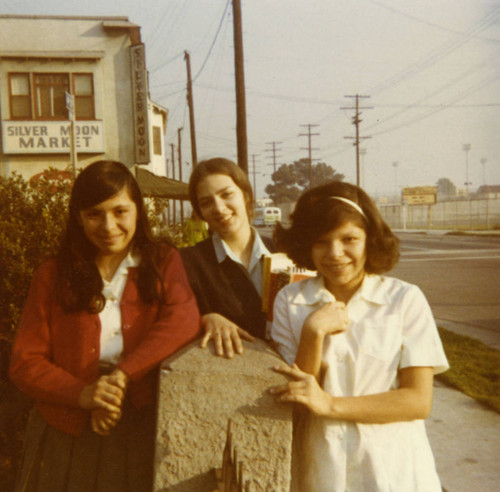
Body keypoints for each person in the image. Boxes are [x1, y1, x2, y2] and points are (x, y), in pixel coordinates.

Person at [9, 160, 200, 492]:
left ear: (138, 211)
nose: (109, 225)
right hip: (66, 429)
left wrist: (121, 376)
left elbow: (182, 320)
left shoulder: (162, 261)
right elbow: (26, 363)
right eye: (94, 214)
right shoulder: (54, 275)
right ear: (78, 218)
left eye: (120, 211)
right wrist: (83, 395)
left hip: (139, 423)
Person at [269, 181, 448, 491]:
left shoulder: (404, 299)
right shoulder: (290, 300)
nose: (335, 253)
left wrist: (328, 404)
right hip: (321, 467)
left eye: (349, 238)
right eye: (321, 241)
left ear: (370, 240)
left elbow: (417, 401)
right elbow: (295, 401)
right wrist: (313, 332)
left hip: (393, 468)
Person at [180, 157, 274, 358]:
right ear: (200, 213)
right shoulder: (189, 262)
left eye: (227, 195)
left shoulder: (284, 252)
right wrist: (205, 318)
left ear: (246, 195)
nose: (219, 208)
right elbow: (173, 318)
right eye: (206, 202)